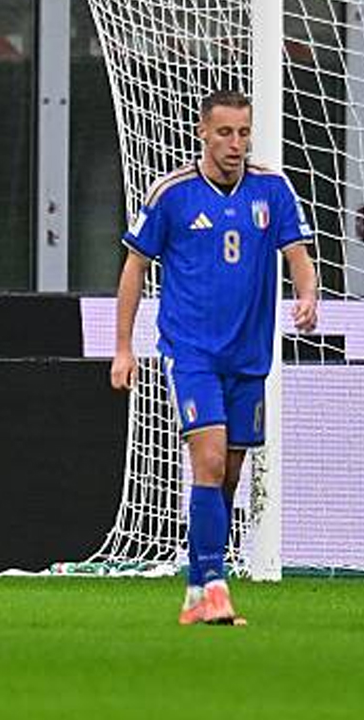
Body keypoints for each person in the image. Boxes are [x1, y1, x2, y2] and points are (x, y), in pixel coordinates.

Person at [110, 90, 318, 626]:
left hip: (249, 356)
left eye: (244, 133)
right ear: (203, 132)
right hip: (192, 351)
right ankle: (217, 589)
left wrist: (308, 295)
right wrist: (124, 346)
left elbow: (297, 253)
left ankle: (194, 588)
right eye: (225, 132)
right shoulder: (173, 194)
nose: (236, 144)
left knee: (227, 474)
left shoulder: (272, 188)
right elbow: (135, 267)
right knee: (206, 460)